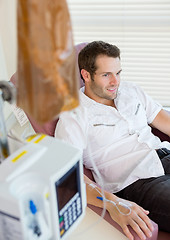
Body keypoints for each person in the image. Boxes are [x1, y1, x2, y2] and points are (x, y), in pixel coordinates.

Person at [55, 41, 170, 240]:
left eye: (118, 72)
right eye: (106, 75)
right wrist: (113, 203)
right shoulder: (74, 117)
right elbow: (70, 177)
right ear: (86, 75)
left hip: (164, 155)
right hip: (139, 182)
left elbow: (164, 121)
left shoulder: (132, 91)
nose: (115, 81)